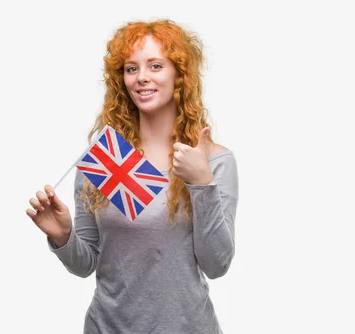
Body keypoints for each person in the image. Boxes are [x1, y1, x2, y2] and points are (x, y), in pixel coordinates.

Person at [26, 19, 239, 334]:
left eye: (155, 66)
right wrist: (63, 236)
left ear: (180, 75)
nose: (142, 78)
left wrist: (201, 183)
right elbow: (86, 264)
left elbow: (216, 264)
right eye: (131, 68)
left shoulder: (213, 160)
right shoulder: (104, 158)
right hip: (106, 327)